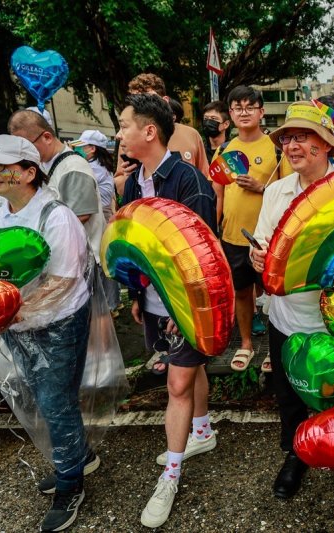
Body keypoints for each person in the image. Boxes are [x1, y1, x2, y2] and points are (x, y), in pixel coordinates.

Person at [0, 135, 93, 532]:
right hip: (15, 324)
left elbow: (62, 281)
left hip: (57, 325)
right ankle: (80, 456)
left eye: (0, 166)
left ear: (28, 172)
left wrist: (9, 311)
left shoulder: (56, 217)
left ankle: (71, 484)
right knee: (44, 399)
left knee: (55, 403)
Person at [115, 93, 218, 529]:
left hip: (186, 306)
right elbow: (140, 248)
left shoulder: (190, 181)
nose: (118, 134)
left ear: (149, 131)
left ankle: (170, 476)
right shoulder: (136, 183)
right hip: (155, 303)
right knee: (189, 372)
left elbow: (202, 255)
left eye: (124, 126)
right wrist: (140, 297)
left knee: (176, 383)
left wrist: (185, 307)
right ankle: (203, 431)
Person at [250, 101, 334, 500]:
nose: (292, 145)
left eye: (302, 137)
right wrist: (257, 255)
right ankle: (296, 454)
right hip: (286, 314)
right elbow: (261, 243)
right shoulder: (277, 191)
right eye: (287, 139)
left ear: (327, 145)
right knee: (290, 394)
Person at [218, 86, 290, 373]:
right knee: (242, 292)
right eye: (238, 107)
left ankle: (274, 348)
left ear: (261, 112)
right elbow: (219, 194)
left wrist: (261, 188)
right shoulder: (224, 149)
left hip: (267, 239)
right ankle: (246, 343)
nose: (244, 111)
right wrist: (214, 229)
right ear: (231, 114)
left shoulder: (275, 148)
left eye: (250, 106)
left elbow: (289, 192)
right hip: (233, 237)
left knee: (274, 294)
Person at [7, 110, 105, 266]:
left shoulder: (73, 167)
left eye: (27, 145)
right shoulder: (43, 164)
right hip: (65, 259)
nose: (23, 152)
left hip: (86, 263)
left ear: (47, 137)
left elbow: (80, 215)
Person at [114, 73, 210, 200]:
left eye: (146, 99)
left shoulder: (191, 135)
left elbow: (205, 180)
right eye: (135, 101)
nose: (139, 107)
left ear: (164, 101)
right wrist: (130, 177)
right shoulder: (128, 141)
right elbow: (120, 188)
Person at [71, 129, 121, 313]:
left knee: (102, 262)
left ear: (92, 148)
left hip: (100, 216)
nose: (79, 150)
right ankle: (112, 303)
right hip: (101, 215)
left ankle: (109, 305)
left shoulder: (93, 169)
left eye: (82, 147)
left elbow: (103, 200)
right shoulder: (97, 166)